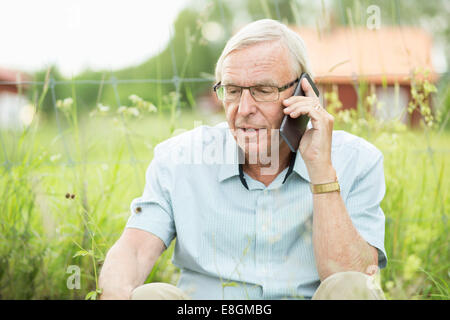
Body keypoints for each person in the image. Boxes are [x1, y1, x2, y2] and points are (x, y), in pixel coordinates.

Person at [98, 19, 387, 300]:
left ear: (303, 91)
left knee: (354, 288)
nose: (244, 109)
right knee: (150, 296)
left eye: (263, 91)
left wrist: (321, 170)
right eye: (233, 91)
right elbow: (133, 251)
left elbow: (355, 280)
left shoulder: (357, 161)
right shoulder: (178, 160)